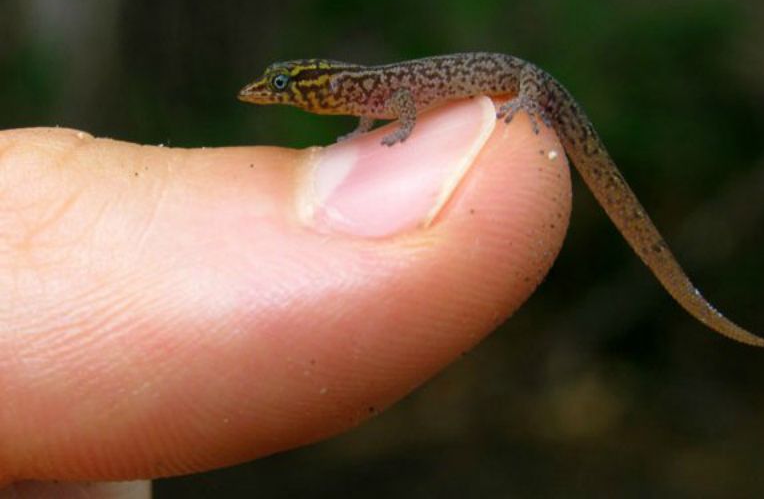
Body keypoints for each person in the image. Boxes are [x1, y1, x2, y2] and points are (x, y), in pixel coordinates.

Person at [0, 97, 569, 497]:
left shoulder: (373, 87)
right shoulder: (358, 92)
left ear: (313, 90)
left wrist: (401, 132)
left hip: (522, 84)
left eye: (279, 88)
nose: (264, 96)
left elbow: (400, 99)